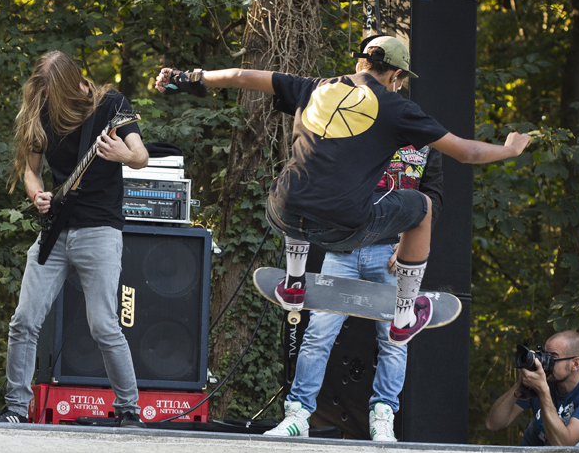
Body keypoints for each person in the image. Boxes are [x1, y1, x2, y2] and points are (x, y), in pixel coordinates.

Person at [156, 34, 532, 347]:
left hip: (280, 212)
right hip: (340, 228)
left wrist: (186, 77)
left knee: (299, 178)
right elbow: (467, 152)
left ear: (359, 65)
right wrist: (511, 149)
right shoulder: (398, 108)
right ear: (396, 76)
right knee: (422, 208)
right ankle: (404, 315)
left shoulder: (313, 87)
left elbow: (240, 74)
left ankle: (295, 283)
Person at [0, 50, 149, 427]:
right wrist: (37, 194)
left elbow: (141, 156)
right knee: (24, 320)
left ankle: (129, 410)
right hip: (56, 230)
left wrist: (120, 155)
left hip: (99, 230)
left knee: (103, 324)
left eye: (53, 93)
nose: (47, 101)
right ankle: (16, 409)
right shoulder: (40, 112)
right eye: (43, 94)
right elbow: (30, 171)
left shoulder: (111, 104)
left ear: (71, 84)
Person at [267, 145, 443, 441]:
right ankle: (297, 415)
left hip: (391, 253)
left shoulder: (425, 142)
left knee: (394, 338)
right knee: (318, 332)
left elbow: (432, 198)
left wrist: (409, 244)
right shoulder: (360, 125)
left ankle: (383, 417)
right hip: (344, 248)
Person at [485, 330, 579, 448]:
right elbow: (493, 424)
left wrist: (542, 390)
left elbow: (563, 445)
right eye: (545, 356)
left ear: (575, 364)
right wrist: (519, 385)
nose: (545, 363)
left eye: (552, 358)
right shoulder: (543, 379)